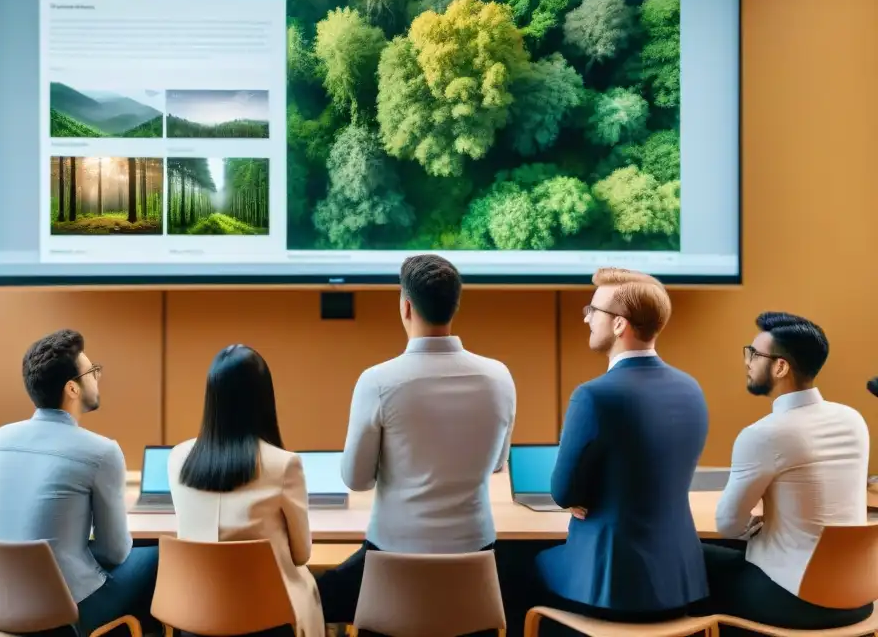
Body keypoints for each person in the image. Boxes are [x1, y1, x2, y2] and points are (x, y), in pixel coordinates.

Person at [316, 254, 517, 626]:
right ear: (455, 305)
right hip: (475, 562)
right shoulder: (499, 377)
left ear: (406, 307)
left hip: (391, 560)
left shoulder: (378, 381)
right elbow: (496, 463)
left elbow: (356, 479)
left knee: (317, 595)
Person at [525, 268, 708, 632]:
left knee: (516, 566)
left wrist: (582, 497)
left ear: (620, 325)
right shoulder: (692, 389)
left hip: (610, 587)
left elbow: (563, 493)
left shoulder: (594, 396)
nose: (587, 318)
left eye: (594, 310)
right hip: (680, 584)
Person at [702, 312, 872, 631]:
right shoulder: (853, 420)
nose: (748, 362)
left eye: (754, 354)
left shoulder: (765, 434)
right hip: (859, 596)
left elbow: (728, 524)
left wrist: (754, 528)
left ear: (780, 367)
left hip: (795, 600)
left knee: (686, 558)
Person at [0, 330, 158, 635]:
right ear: (72, 388)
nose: (97, 378)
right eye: (92, 372)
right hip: (66, 611)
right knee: (159, 556)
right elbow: (114, 552)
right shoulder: (101, 452)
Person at [168, 345, 324, 637]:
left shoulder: (178, 458)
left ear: (211, 396)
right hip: (265, 620)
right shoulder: (284, 465)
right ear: (263, 398)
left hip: (195, 616)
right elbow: (301, 554)